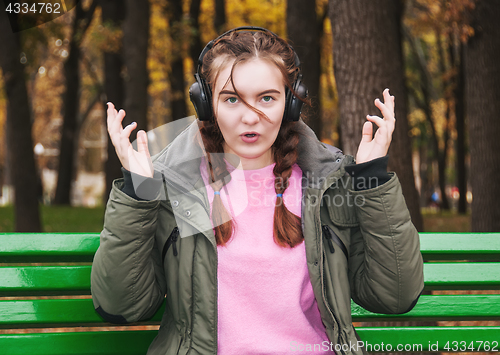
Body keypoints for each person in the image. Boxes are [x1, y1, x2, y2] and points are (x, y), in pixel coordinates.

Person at [91, 27, 424, 355]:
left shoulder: (329, 183)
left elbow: (394, 296)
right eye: (232, 99)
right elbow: (121, 305)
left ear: (290, 103)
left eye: (267, 98)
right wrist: (139, 191)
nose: (251, 117)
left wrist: (371, 179)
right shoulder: (172, 187)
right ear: (206, 105)